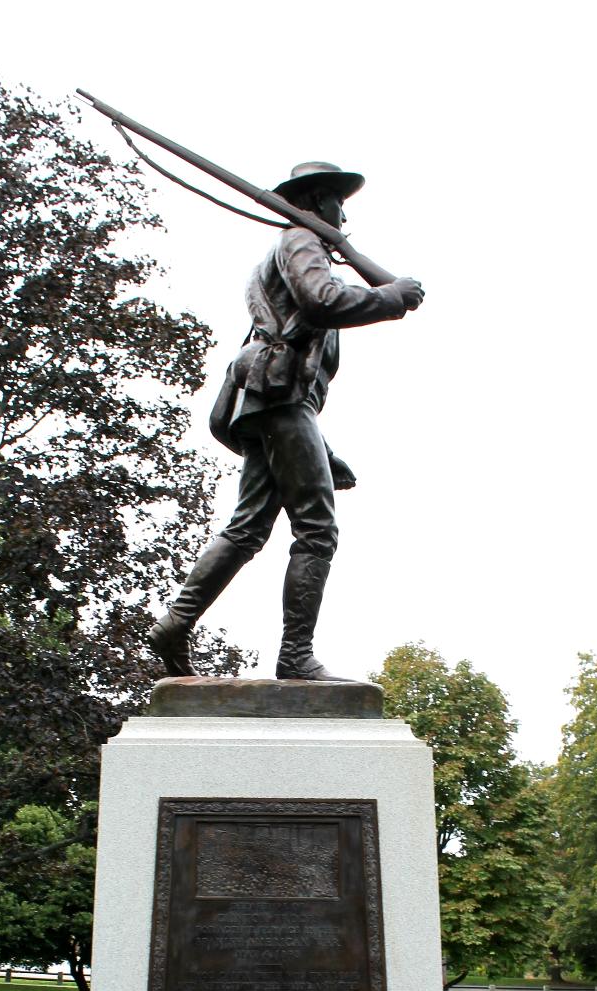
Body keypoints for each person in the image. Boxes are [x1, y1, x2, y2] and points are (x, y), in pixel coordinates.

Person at [149, 161, 424, 681]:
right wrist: (390, 296)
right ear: (320, 201)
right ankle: (295, 655)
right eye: (338, 203)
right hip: (278, 404)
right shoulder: (302, 241)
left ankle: (174, 625)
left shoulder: (298, 248)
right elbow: (322, 302)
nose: (344, 215)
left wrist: (321, 450)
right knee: (316, 529)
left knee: (248, 526)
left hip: (271, 404)